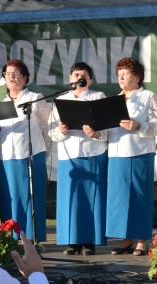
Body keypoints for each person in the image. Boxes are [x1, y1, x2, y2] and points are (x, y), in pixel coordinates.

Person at [105, 58, 157, 256]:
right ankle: (126, 238)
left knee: (139, 196)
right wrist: (96, 133)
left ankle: (142, 239)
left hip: (140, 153)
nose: (120, 77)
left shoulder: (148, 96)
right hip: (117, 154)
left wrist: (139, 126)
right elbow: (109, 130)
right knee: (120, 198)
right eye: (118, 74)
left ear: (137, 77)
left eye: (125, 73)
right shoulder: (115, 100)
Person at [48, 62, 107, 256]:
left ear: (89, 79)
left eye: (82, 75)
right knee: (70, 200)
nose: (78, 78)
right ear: (70, 79)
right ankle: (71, 241)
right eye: (75, 75)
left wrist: (96, 133)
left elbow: (108, 130)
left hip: (93, 153)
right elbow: (51, 132)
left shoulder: (98, 97)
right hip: (69, 156)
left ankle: (90, 241)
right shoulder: (61, 100)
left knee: (91, 200)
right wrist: (60, 131)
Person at [0, 59, 50, 242]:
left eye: (16, 73)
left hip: (31, 156)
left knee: (31, 200)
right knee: (11, 199)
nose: (11, 77)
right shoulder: (2, 103)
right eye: (8, 74)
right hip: (8, 159)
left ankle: (32, 241)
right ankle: (12, 240)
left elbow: (47, 128)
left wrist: (43, 153)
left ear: (25, 78)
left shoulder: (35, 98)